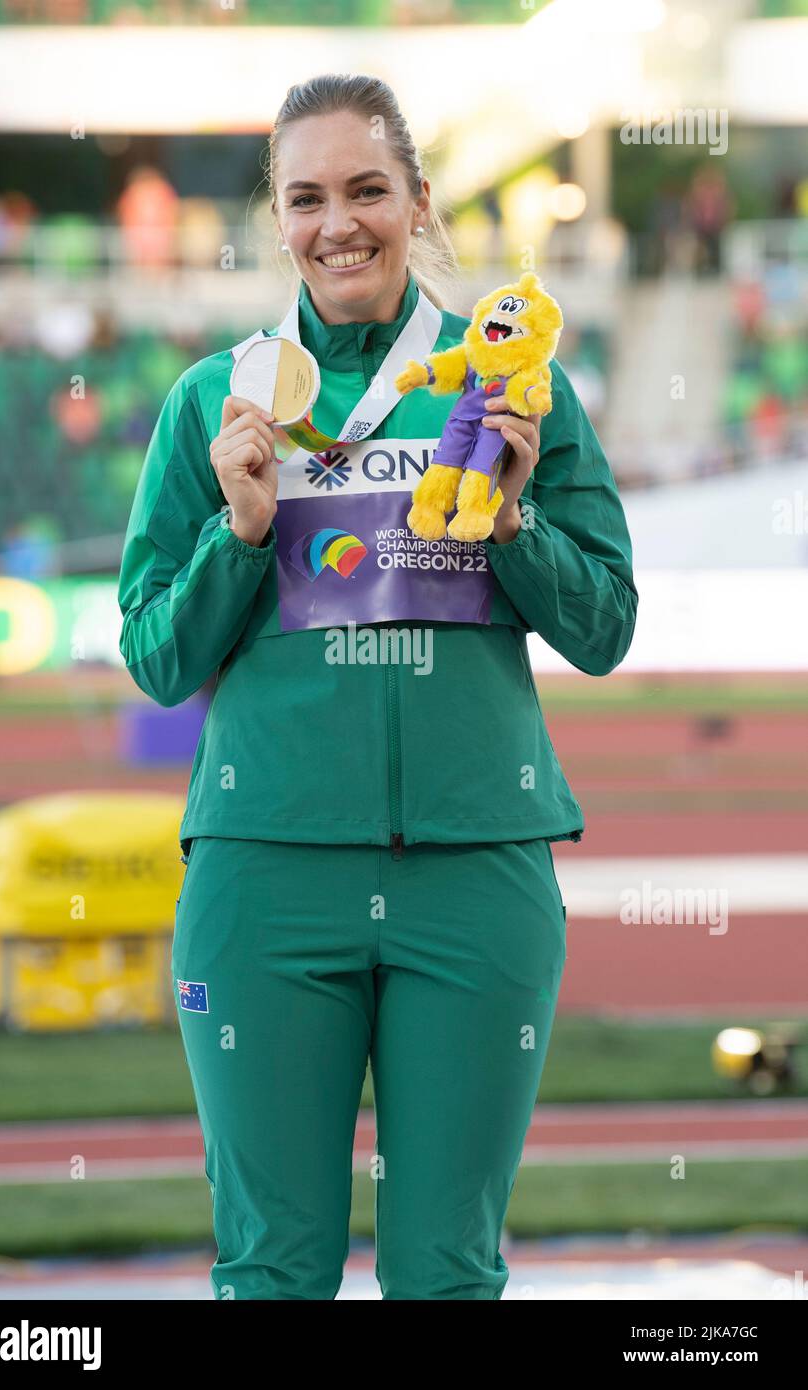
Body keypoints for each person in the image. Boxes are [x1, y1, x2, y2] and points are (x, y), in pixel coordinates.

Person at [117, 73, 638, 1301]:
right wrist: (236, 535)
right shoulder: (218, 399)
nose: (337, 223)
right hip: (265, 882)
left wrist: (513, 527)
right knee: (270, 1273)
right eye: (307, 198)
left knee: (447, 1274)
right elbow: (156, 658)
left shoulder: (513, 384)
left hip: (476, 876)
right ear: (278, 219)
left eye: (367, 190)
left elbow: (607, 624)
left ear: (415, 203)